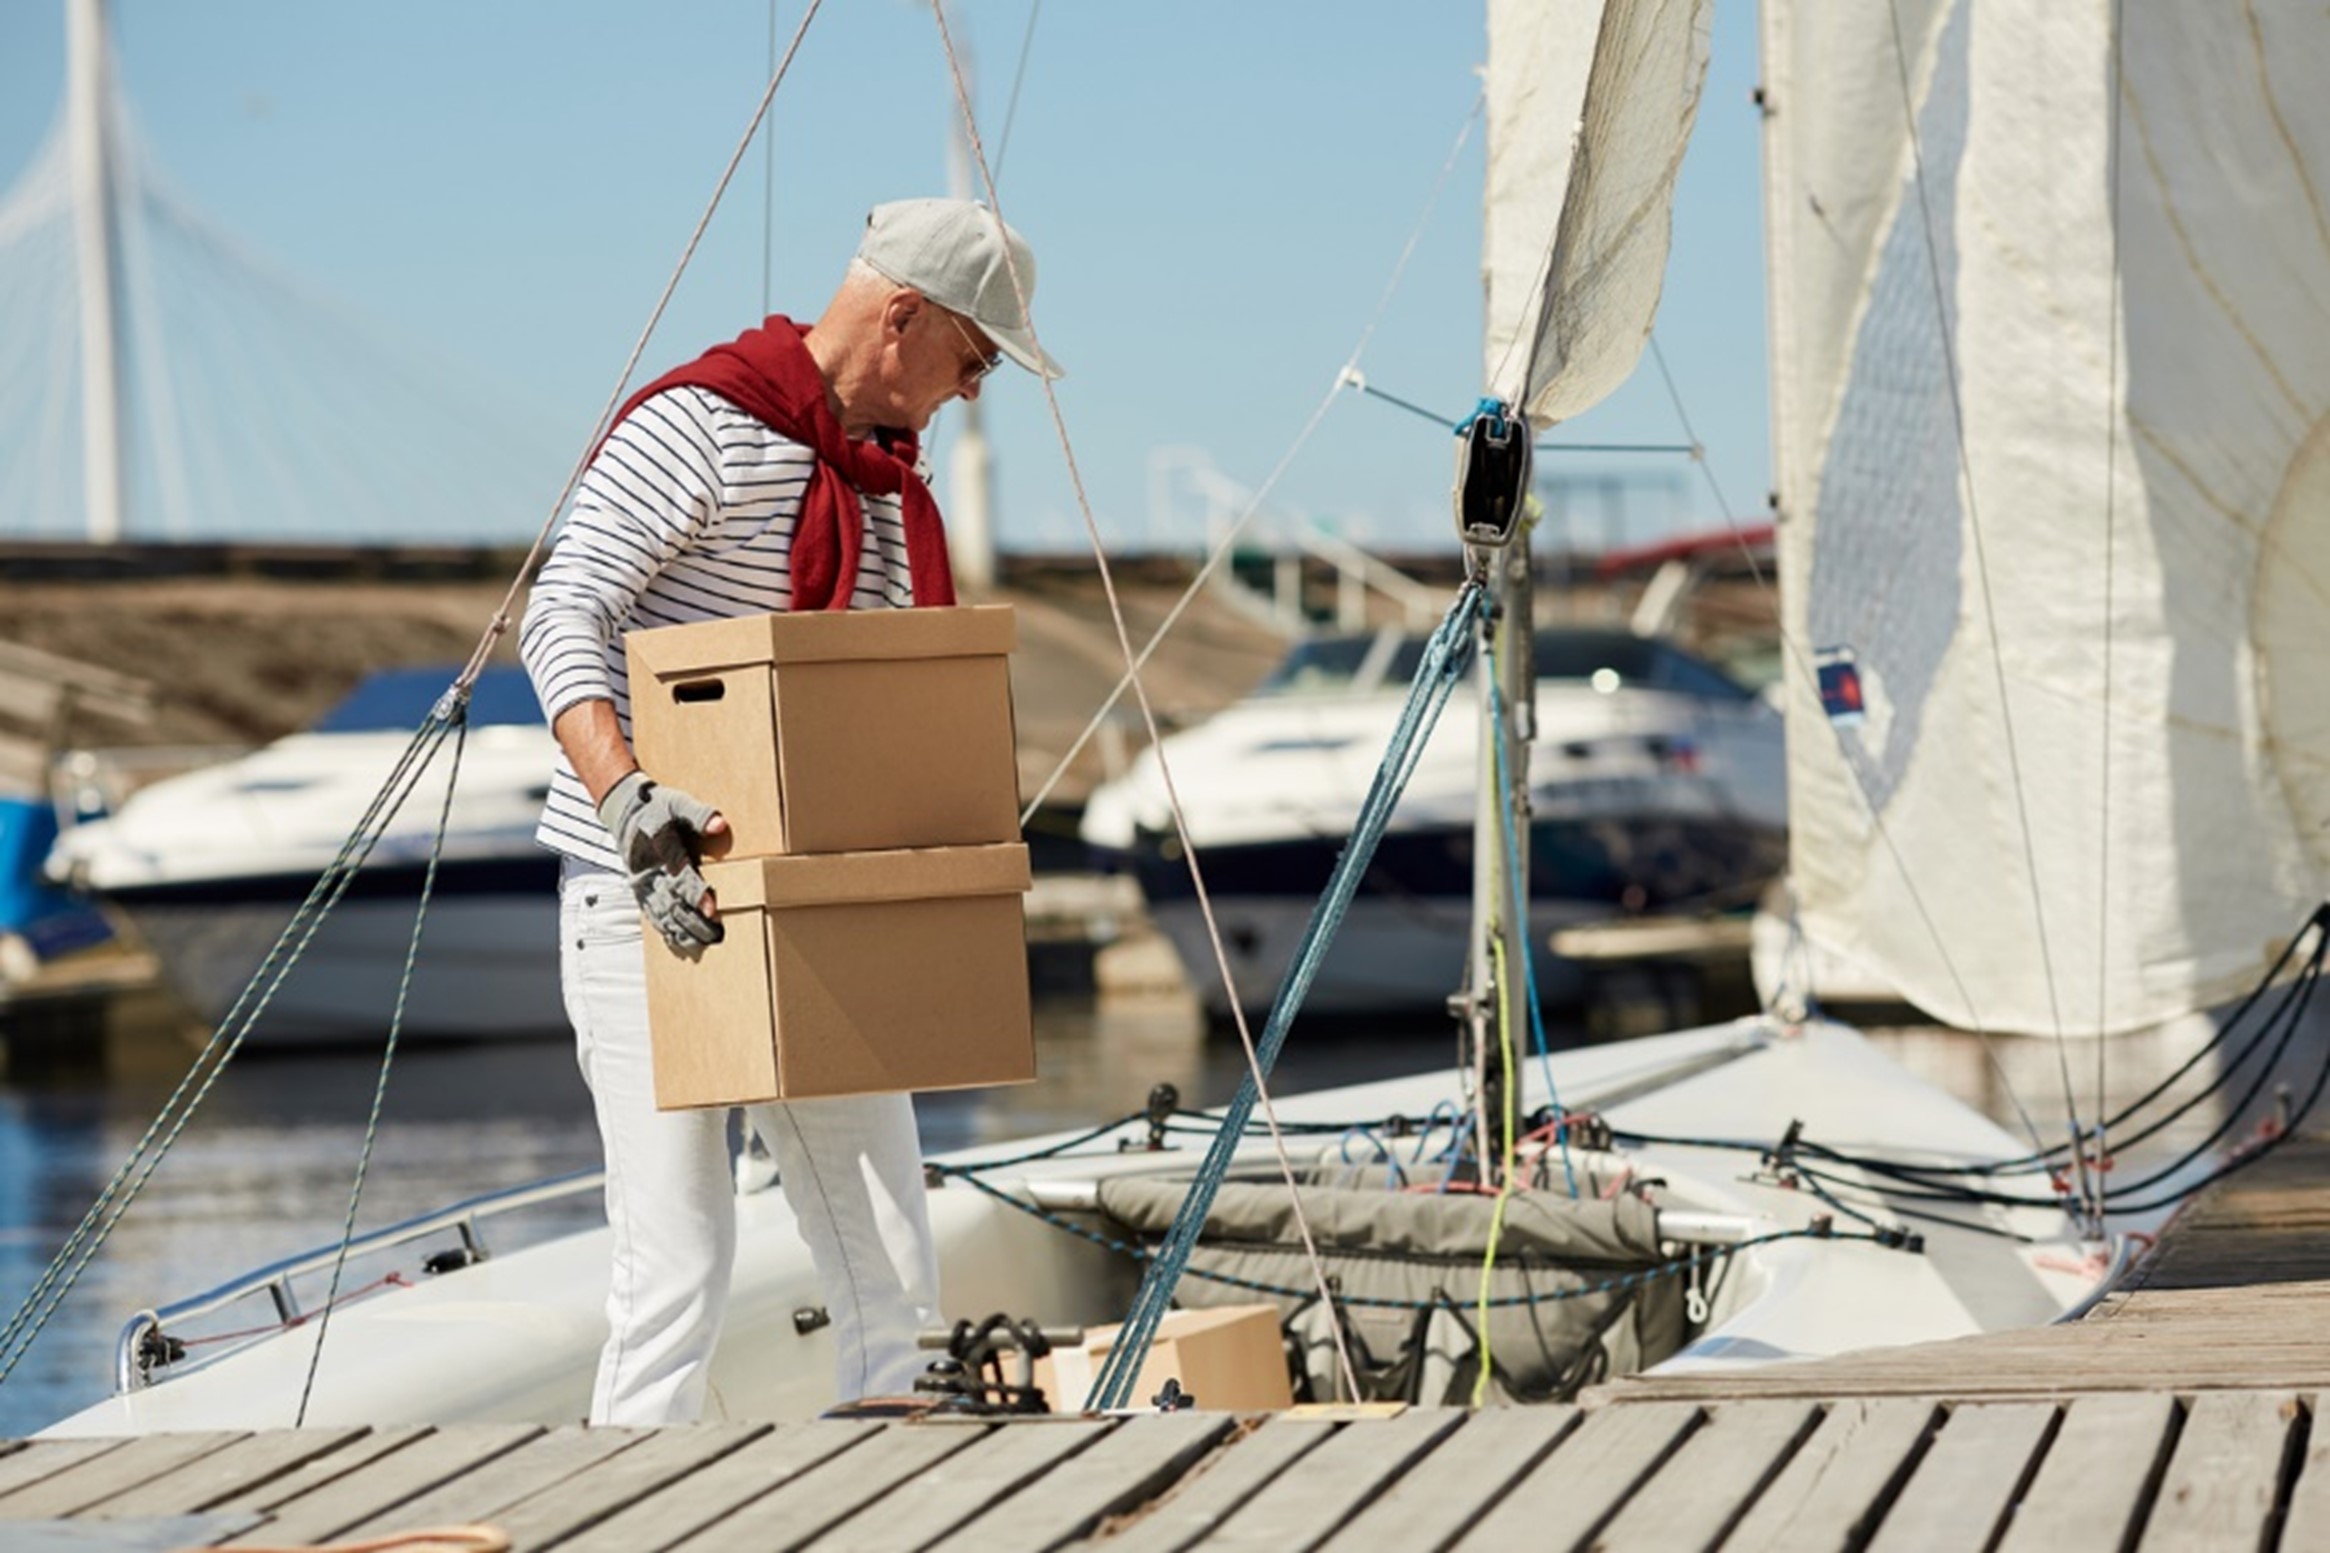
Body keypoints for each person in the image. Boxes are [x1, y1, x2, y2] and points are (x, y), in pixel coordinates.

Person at [518, 197, 1060, 1427]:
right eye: (974, 361)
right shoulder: (699, 431)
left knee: (891, 1256)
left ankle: (891, 1507)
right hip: (645, 893)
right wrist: (629, 796)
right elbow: (562, 614)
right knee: (678, 1267)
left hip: (804, 908)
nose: (974, 393)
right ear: (904, 316)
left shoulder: (881, 488)